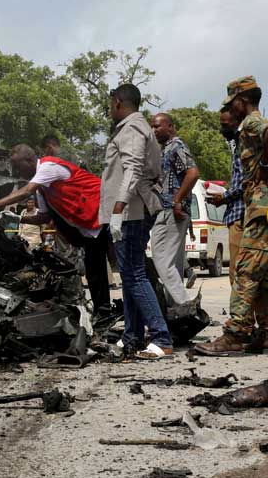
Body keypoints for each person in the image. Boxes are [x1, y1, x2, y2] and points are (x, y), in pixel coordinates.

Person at [195, 76, 268, 356]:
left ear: (241, 101)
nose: (231, 109)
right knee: (267, 277)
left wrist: (266, 164)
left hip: (260, 209)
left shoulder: (252, 123)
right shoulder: (252, 125)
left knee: (244, 272)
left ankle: (235, 334)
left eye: (232, 103)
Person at [0, 144, 111, 315]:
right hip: (89, 227)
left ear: (29, 160)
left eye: (17, 166)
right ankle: (103, 312)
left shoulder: (47, 167)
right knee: (94, 272)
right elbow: (44, 217)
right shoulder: (42, 189)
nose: (16, 171)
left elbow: (26, 191)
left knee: (129, 269)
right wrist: (18, 218)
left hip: (105, 213)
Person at [100, 83, 173, 359]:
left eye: (110, 105)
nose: (110, 110)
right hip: (133, 210)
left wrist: (117, 209)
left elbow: (131, 169)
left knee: (134, 274)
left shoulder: (130, 128)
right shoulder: (137, 127)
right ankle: (131, 335)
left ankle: (161, 337)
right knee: (130, 275)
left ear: (118, 102)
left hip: (130, 212)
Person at [149, 113, 200, 308]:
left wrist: (177, 200)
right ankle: (175, 311)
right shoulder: (167, 149)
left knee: (160, 259)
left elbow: (193, 173)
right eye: (152, 127)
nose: (154, 131)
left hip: (171, 210)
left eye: (157, 126)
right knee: (174, 264)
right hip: (172, 210)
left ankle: (184, 304)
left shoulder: (176, 147)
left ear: (170, 126)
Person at [207, 107, 246, 287]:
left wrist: (224, 197)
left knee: (237, 268)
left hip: (240, 213)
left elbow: (243, 181)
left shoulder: (243, 144)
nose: (222, 129)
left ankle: (241, 312)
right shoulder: (236, 145)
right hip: (236, 213)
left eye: (225, 124)